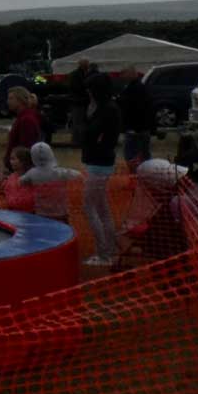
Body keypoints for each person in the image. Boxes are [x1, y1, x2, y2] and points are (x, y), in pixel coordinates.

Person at [81, 73, 121, 266]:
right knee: (101, 207)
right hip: (98, 162)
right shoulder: (105, 108)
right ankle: (109, 248)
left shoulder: (107, 110)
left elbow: (92, 133)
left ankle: (104, 254)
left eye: (90, 89)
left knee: (90, 207)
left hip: (99, 163)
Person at [19, 141, 81, 223]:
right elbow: (78, 175)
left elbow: (21, 181)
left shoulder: (32, 173)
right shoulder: (59, 172)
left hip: (41, 214)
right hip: (61, 214)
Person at [116, 66, 153, 167]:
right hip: (142, 127)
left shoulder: (134, 88)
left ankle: (136, 175)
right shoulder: (139, 87)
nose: (121, 76)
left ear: (131, 74)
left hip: (135, 127)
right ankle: (147, 172)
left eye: (123, 74)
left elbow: (135, 108)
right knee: (144, 153)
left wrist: (134, 127)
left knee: (131, 154)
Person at [3, 86, 42, 173]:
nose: (8, 102)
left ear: (20, 100)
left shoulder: (26, 119)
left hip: (22, 169)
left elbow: (26, 147)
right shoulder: (23, 117)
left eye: (11, 98)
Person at [1, 146, 37, 213]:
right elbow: (6, 193)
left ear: (23, 161)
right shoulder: (12, 177)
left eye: (13, 159)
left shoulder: (31, 178)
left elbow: (29, 200)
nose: (11, 162)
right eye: (11, 159)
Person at [67, 58, 92, 146]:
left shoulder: (77, 74)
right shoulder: (79, 75)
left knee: (78, 122)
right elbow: (77, 88)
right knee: (79, 122)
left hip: (79, 102)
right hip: (79, 102)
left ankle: (77, 140)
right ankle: (78, 141)